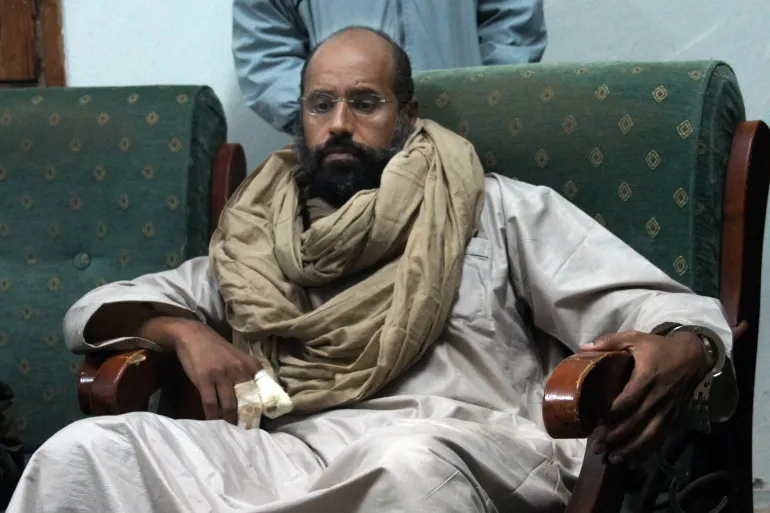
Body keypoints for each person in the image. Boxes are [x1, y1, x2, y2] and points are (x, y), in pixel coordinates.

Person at [7, 27, 731, 513]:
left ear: (407, 115)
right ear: (300, 118)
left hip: (459, 444)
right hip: (290, 453)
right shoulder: (262, 237)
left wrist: (683, 347)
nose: (340, 124)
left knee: (404, 469)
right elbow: (93, 311)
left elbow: (667, 310)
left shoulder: (494, 208)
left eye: (365, 103)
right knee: (86, 453)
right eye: (321, 104)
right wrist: (182, 331)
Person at [233, 0, 547, 133]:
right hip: (344, 158)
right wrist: (327, 116)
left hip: (462, 135)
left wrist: (484, 99)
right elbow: (265, 49)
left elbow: (513, 22)